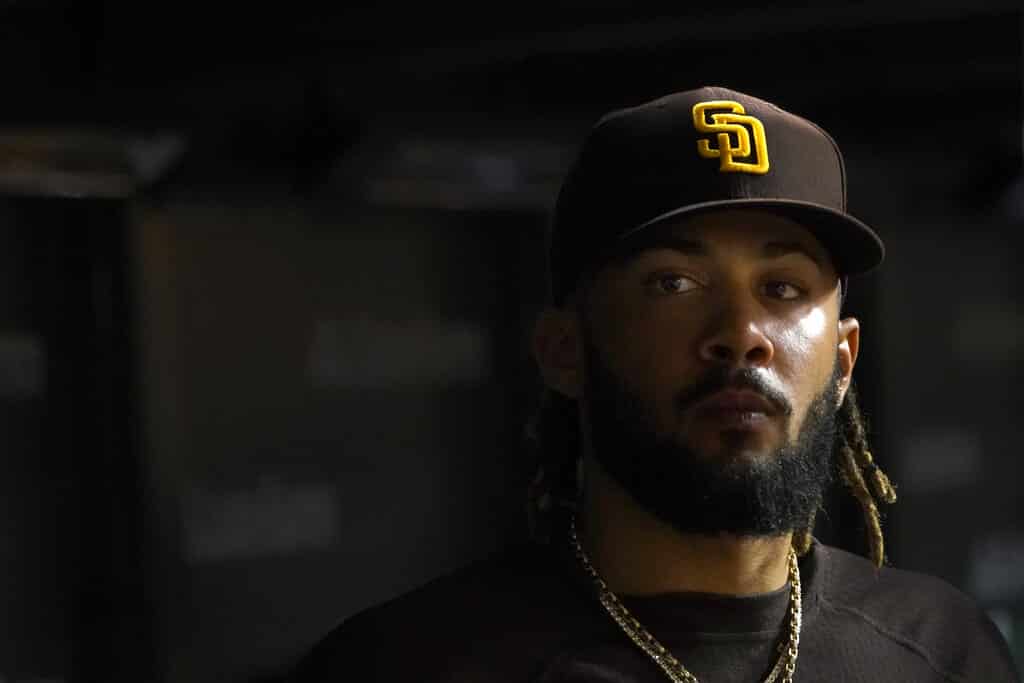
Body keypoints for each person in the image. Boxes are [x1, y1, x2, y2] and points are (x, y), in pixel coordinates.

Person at [286, 86, 1020, 682]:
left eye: (785, 287)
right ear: (565, 350)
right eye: (674, 281)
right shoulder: (402, 666)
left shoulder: (944, 654)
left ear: (845, 359)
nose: (742, 331)